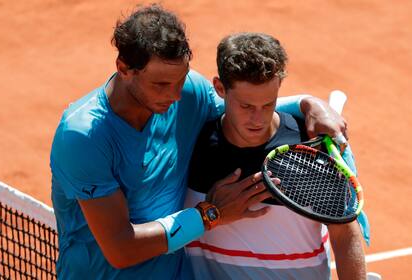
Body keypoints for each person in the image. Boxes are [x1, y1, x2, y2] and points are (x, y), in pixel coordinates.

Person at [50, 5, 350, 280]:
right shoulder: (83, 137)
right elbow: (121, 249)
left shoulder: (188, 92)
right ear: (124, 68)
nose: (175, 95)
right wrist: (210, 214)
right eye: (160, 84)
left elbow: (241, 105)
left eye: (180, 81)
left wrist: (309, 104)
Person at [185, 32, 366, 280]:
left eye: (268, 104)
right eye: (246, 106)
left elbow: (344, 234)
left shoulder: (308, 149)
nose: (258, 119)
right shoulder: (193, 144)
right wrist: (210, 213)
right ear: (219, 88)